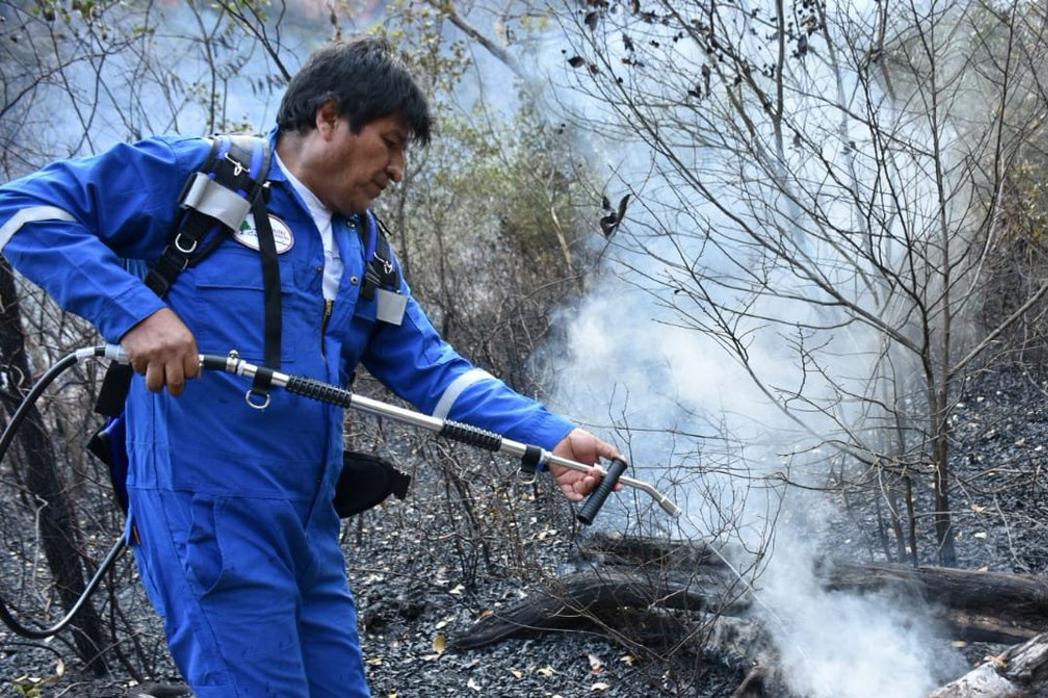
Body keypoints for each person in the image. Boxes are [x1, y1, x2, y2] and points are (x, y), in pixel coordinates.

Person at [0, 37, 617, 697]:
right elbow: (23, 211)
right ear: (327, 117)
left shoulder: (365, 246)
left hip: (307, 520)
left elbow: (429, 368)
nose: (399, 169)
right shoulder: (205, 180)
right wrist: (135, 314)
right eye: (390, 141)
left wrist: (549, 438)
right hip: (207, 514)